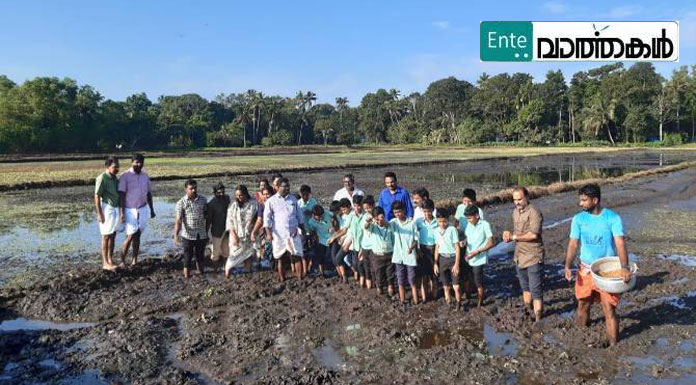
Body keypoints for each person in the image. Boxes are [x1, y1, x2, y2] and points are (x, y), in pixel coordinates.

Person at [564, 183, 631, 346]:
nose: (580, 204)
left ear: (595, 200)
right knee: (582, 304)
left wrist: (624, 268)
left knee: (609, 309)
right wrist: (567, 266)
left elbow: (620, 243)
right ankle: (582, 335)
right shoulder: (578, 219)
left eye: (584, 200)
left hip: (606, 271)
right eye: (580, 200)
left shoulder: (612, 218)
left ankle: (613, 344)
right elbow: (573, 244)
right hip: (586, 269)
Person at [502, 186, 545, 322]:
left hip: (533, 255)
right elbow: (510, 228)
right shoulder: (515, 212)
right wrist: (506, 232)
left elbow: (533, 234)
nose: (517, 202)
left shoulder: (534, 212)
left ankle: (538, 317)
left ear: (526, 197)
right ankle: (528, 309)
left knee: (535, 289)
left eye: (520, 199)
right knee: (525, 286)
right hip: (519, 256)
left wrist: (514, 237)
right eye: (515, 200)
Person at [264, 177, 305, 282]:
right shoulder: (271, 201)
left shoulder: (293, 199)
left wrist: (302, 228)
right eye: (285, 187)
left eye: (288, 186)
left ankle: (300, 278)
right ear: (278, 187)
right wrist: (268, 234)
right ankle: (282, 278)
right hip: (279, 235)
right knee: (280, 258)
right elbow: (267, 219)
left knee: (297, 255)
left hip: (293, 233)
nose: (287, 189)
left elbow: (299, 216)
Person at [118, 153, 156, 266]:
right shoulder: (125, 176)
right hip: (130, 210)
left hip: (142, 208)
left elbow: (148, 194)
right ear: (132, 162)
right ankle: (122, 261)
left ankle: (135, 259)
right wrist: (121, 212)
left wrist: (152, 210)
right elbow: (121, 195)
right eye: (136, 162)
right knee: (130, 236)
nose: (139, 164)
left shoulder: (145, 176)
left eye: (141, 162)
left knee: (138, 235)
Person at [173, 180, 208, 279]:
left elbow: (206, 215)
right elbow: (178, 221)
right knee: (187, 257)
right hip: (188, 235)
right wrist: (176, 236)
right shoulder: (181, 203)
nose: (193, 190)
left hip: (201, 233)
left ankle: (201, 275)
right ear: (186, 189)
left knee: (200, 256)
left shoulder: (203, 200)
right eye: (191, 188)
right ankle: (187, 278)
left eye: (195, 188)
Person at [463, 205, 494, 307]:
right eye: (467, 218)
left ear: (477, 215)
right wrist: (463, 242)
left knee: (478, 281)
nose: (468, 221)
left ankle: (480, 302)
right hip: (468, 257)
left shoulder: (485, 224)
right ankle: (468, 296)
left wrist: (478, 251)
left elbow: (491, 243)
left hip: (479, 258)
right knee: (467, 278)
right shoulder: (469, 225)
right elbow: (467, 239)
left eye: (470, 218)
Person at [94, 156, 121, 271]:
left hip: (115, 207)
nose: (117, 169)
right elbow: (97, 196)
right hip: (106, 208)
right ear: (108, 166)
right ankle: (105, 263)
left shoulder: (115, 178)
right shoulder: (102, 178)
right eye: (115, 167)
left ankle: (110, 259)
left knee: (113, 235)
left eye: (118, 167)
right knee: (105, 236)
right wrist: (100, 213)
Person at [226, 185, 259, 277]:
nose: (238, 197)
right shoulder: (232, 206)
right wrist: (234, 235)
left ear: (245, 194)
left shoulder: (253, 204)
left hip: (248, 234)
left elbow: (257, 218)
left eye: (240, 195)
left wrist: (254, 231)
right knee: (232, 257)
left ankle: (247, 273)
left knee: (248, 255)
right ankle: (227, 276)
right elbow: (229, 222)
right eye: (237, 195)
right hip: (236, 235)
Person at [390, 201, 419, 305]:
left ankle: (416, 301)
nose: (398, 214)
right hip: (398, 256)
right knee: (400, 280)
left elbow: (416, 239)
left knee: (412, 279)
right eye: (395, 212)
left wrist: (411, 247)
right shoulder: (393, 222)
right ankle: (402, 300)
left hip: (410, 256)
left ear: (404, 210)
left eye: (399, 211)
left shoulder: (412, 223)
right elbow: (385, 225)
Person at [433, 209, 462, 308]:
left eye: (444, 221)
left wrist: (457, 264)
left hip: (453, 258)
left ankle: (459, 304)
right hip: (442, 259)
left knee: (456, 286)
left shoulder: (452, 229)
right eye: (439, 221)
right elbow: (437, 247)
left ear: (447, 220)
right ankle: (449, 303)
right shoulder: (436, 231)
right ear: (436, 220)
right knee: (446, 286)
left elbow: (457, 247)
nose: (442, 224)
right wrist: (435, 263)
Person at [364, 206, 395, 296]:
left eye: (380, 218)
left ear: (384, 216)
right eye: (376, 219)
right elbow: (366, 227)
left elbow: (393, 238)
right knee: (378, 273)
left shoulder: (389, 225)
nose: (379, 221)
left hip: (389, 253)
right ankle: (379, 287)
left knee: (390, 273)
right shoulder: (373, 227)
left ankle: (390, 286)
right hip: (377, 255)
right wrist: (368, 221)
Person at [415, 199, 438, 302]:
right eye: (424, 211)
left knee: (434, 274)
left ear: (433, 210)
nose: (427, 214)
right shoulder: (419, 222)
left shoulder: (437, 221)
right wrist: (416, 249)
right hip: (423, 250)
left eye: (429, 211)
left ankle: (434, 295)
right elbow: (413, 234)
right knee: (424, 275)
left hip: (435, 249)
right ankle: (424, 296)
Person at [328, 198, 354, 283]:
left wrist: (334, 237)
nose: (342, 211)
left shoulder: (350, 215)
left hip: (348, 240)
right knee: (336, 258)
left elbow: (345, 230)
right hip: (340, 239)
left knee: (341, 259)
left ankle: (347, 275)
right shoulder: (339, 216)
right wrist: (334, 235)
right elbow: (340, 229)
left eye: (343, 209)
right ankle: (342, 276)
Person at [206, 182, 230, 274]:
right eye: (219, 192)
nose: (222, 194)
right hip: (216, 231)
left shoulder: (227, 198)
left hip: (227, 230)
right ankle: (215, 271)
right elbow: (208, 220)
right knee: (215, 253)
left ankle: (225, 269)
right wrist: (206, 234)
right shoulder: (211, 204)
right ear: (215, 192)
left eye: (223, 192)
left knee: (226, 251)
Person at [305, 205, 335, 278]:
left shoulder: (327, 213)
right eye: (318, 216)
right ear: (313, 215)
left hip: (333, 238)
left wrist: (334, 226)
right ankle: (322, 273)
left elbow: (336, 216)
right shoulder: (311, 222)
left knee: (334, 256)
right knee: (320, 257)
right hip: (322, 240)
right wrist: (315, 238)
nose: (321, 217)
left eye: (322, 215)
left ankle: (336, 270)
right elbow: (312, 231)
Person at [251, 186, 274, 268]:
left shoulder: (277, 203)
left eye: (268, 194)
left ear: (272, 194)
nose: (266, 196)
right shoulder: (262, 205)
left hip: (278, 229)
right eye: (264, 194)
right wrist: (254, 232)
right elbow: (259, 219)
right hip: (267, 229)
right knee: (267, 247)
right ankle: (269, 264)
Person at [299, 185, 318, 274]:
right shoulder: (298, 203)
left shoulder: (313, 201)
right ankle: (305, 268)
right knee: (303, 249)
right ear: (301, 194)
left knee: (313, 249)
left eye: (307, 194)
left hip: (312, 229)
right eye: (303, 195)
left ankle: (310, 265)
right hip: (302, 230)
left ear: (310, 194)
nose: (305, 197)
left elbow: (318, 213)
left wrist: (311, 213)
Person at [358, 196, 376, 289]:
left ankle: (375, 283)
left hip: (375, 246)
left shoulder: (377, 215)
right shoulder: (364, 216)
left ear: (373, 205)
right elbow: (364, 227)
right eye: (365, 208)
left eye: (369, 208)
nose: (367, 210)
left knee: (374, 266)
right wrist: (368, 222)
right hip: (365, 245)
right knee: (366, 266)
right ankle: (369, 284)